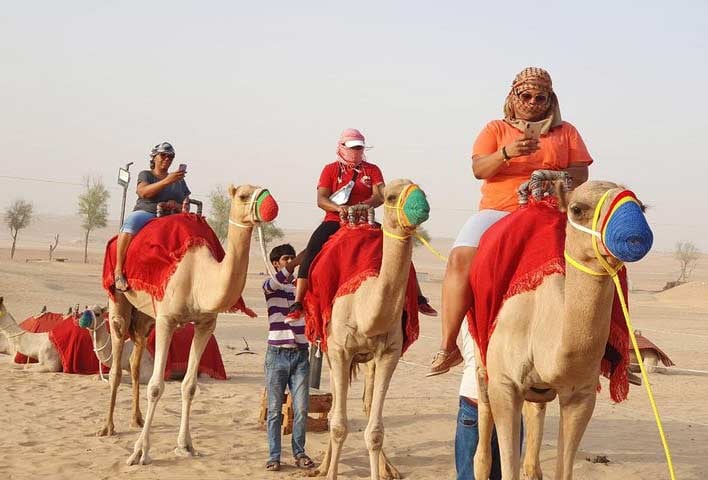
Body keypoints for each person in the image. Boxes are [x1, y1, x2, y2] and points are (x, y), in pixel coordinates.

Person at [428, 67, 593, 376]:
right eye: (525, 95)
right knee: (459, 257)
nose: (532, 102)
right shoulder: (496, 129)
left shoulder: (565, 131)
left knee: (598, 257)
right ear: (513, 96)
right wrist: (507, 153)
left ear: (550, 100)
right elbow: (480, 169)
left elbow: (581, 172)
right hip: (500, 209)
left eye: (540, 97)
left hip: (550, 208)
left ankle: (608, 350)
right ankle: (447, 345)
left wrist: (553, 175)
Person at [285, 128, 437, 321]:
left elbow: (379, 195)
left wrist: (363, 205)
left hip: (365, 220)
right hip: (335, 220)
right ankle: (298, 303)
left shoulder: (371, 170)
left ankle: (418, 297)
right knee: (312, 249)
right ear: (341, 147)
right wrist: (338, 208)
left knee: (398, 248)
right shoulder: (330, 170)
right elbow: (321, 199)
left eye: (359, 147)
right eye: (352, 147)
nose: (356, 151)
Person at [262, 243, 315, 472]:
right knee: (274, 410)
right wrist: (299, 261)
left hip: (301, 354)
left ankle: (299, 452)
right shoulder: (269, 287)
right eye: (286, 259)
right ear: (276, 263)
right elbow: (278, 279)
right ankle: (274, 455)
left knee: (301, 408)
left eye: (292, 258)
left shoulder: (300, 289)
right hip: (277, 355)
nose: (290, 261)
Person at [113, 142, 190, 291]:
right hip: (147, 212)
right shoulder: (146, 175)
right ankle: (118, 272)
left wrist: (177, 206)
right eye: (163, 155)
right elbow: (144, 193)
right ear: (154, 157)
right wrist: (168, 180)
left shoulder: (180, 181)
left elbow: (185, 205)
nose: (167, 159)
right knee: (131, 223)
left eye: (171, 156)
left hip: (173, 218)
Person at [455, 323, 501, 479]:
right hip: (507, 405)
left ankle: (446, 347)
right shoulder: (519, 301)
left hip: (473, 400)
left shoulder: (466, 302)